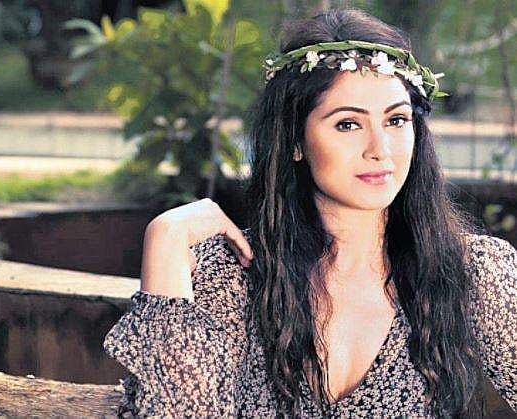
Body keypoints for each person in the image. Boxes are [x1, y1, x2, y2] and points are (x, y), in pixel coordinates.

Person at [103, 8, 517, 418]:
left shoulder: (473, 273)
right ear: (296, 141)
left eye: (396, 120)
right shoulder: (233, 277)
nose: (380, 149)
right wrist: (166, 238)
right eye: (348, 124)